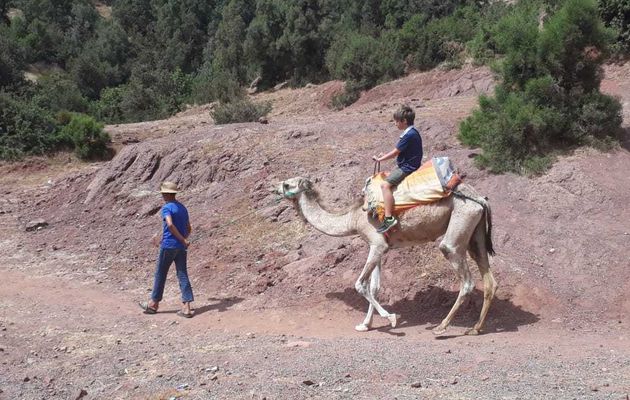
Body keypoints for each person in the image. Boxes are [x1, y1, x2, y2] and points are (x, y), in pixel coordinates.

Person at [140, 181, 195, 318]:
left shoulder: (167, 208)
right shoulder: (182, 207)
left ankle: (153, 304)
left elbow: (169, 224)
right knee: (182, 274)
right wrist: (183, 240)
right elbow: (188, 228)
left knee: (161, 273)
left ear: (165, 194)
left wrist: (181, 240)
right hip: (181, 248)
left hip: (168, 246)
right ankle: (187, 307)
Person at [372, 105, 423, 233]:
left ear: (404, 121)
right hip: (410, 165)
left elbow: (395, 152)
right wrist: (384, 156)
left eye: (396, 121)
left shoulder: (408, 135)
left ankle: (388, 218)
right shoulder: (413, 132)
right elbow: (399, 152)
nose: (395, 124)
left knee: (385, 185)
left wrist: (380, 160)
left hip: (407, 167)